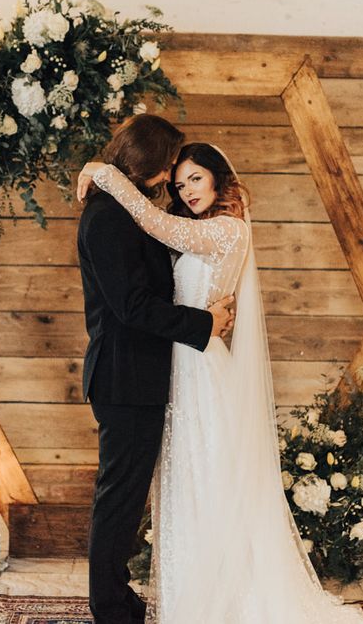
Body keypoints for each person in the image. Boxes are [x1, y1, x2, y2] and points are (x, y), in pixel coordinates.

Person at [78, 142, 363, 623]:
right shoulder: (195, 231)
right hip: (177, 366)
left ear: (218, 179)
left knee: (209, 476)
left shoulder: (228, 230)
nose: (186, 190)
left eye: (196, 179)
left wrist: (104, 173)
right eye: (179, 184)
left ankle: (227, 600)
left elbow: (155, 223)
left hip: (201, 368)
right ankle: (189, 592)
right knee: (184, 481)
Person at [77, 117, 236, 624]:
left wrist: (101, 170)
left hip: (140, 378)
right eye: (168, 166)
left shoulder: (129, 210)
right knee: (118, 502)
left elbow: (171, 230)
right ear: (146, 161)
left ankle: (121, 600)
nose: (172, 177)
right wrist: (204, 323)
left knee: (125, 500)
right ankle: (110, 610)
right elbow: (131, 305)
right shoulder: (105, 218)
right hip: (124, 379)